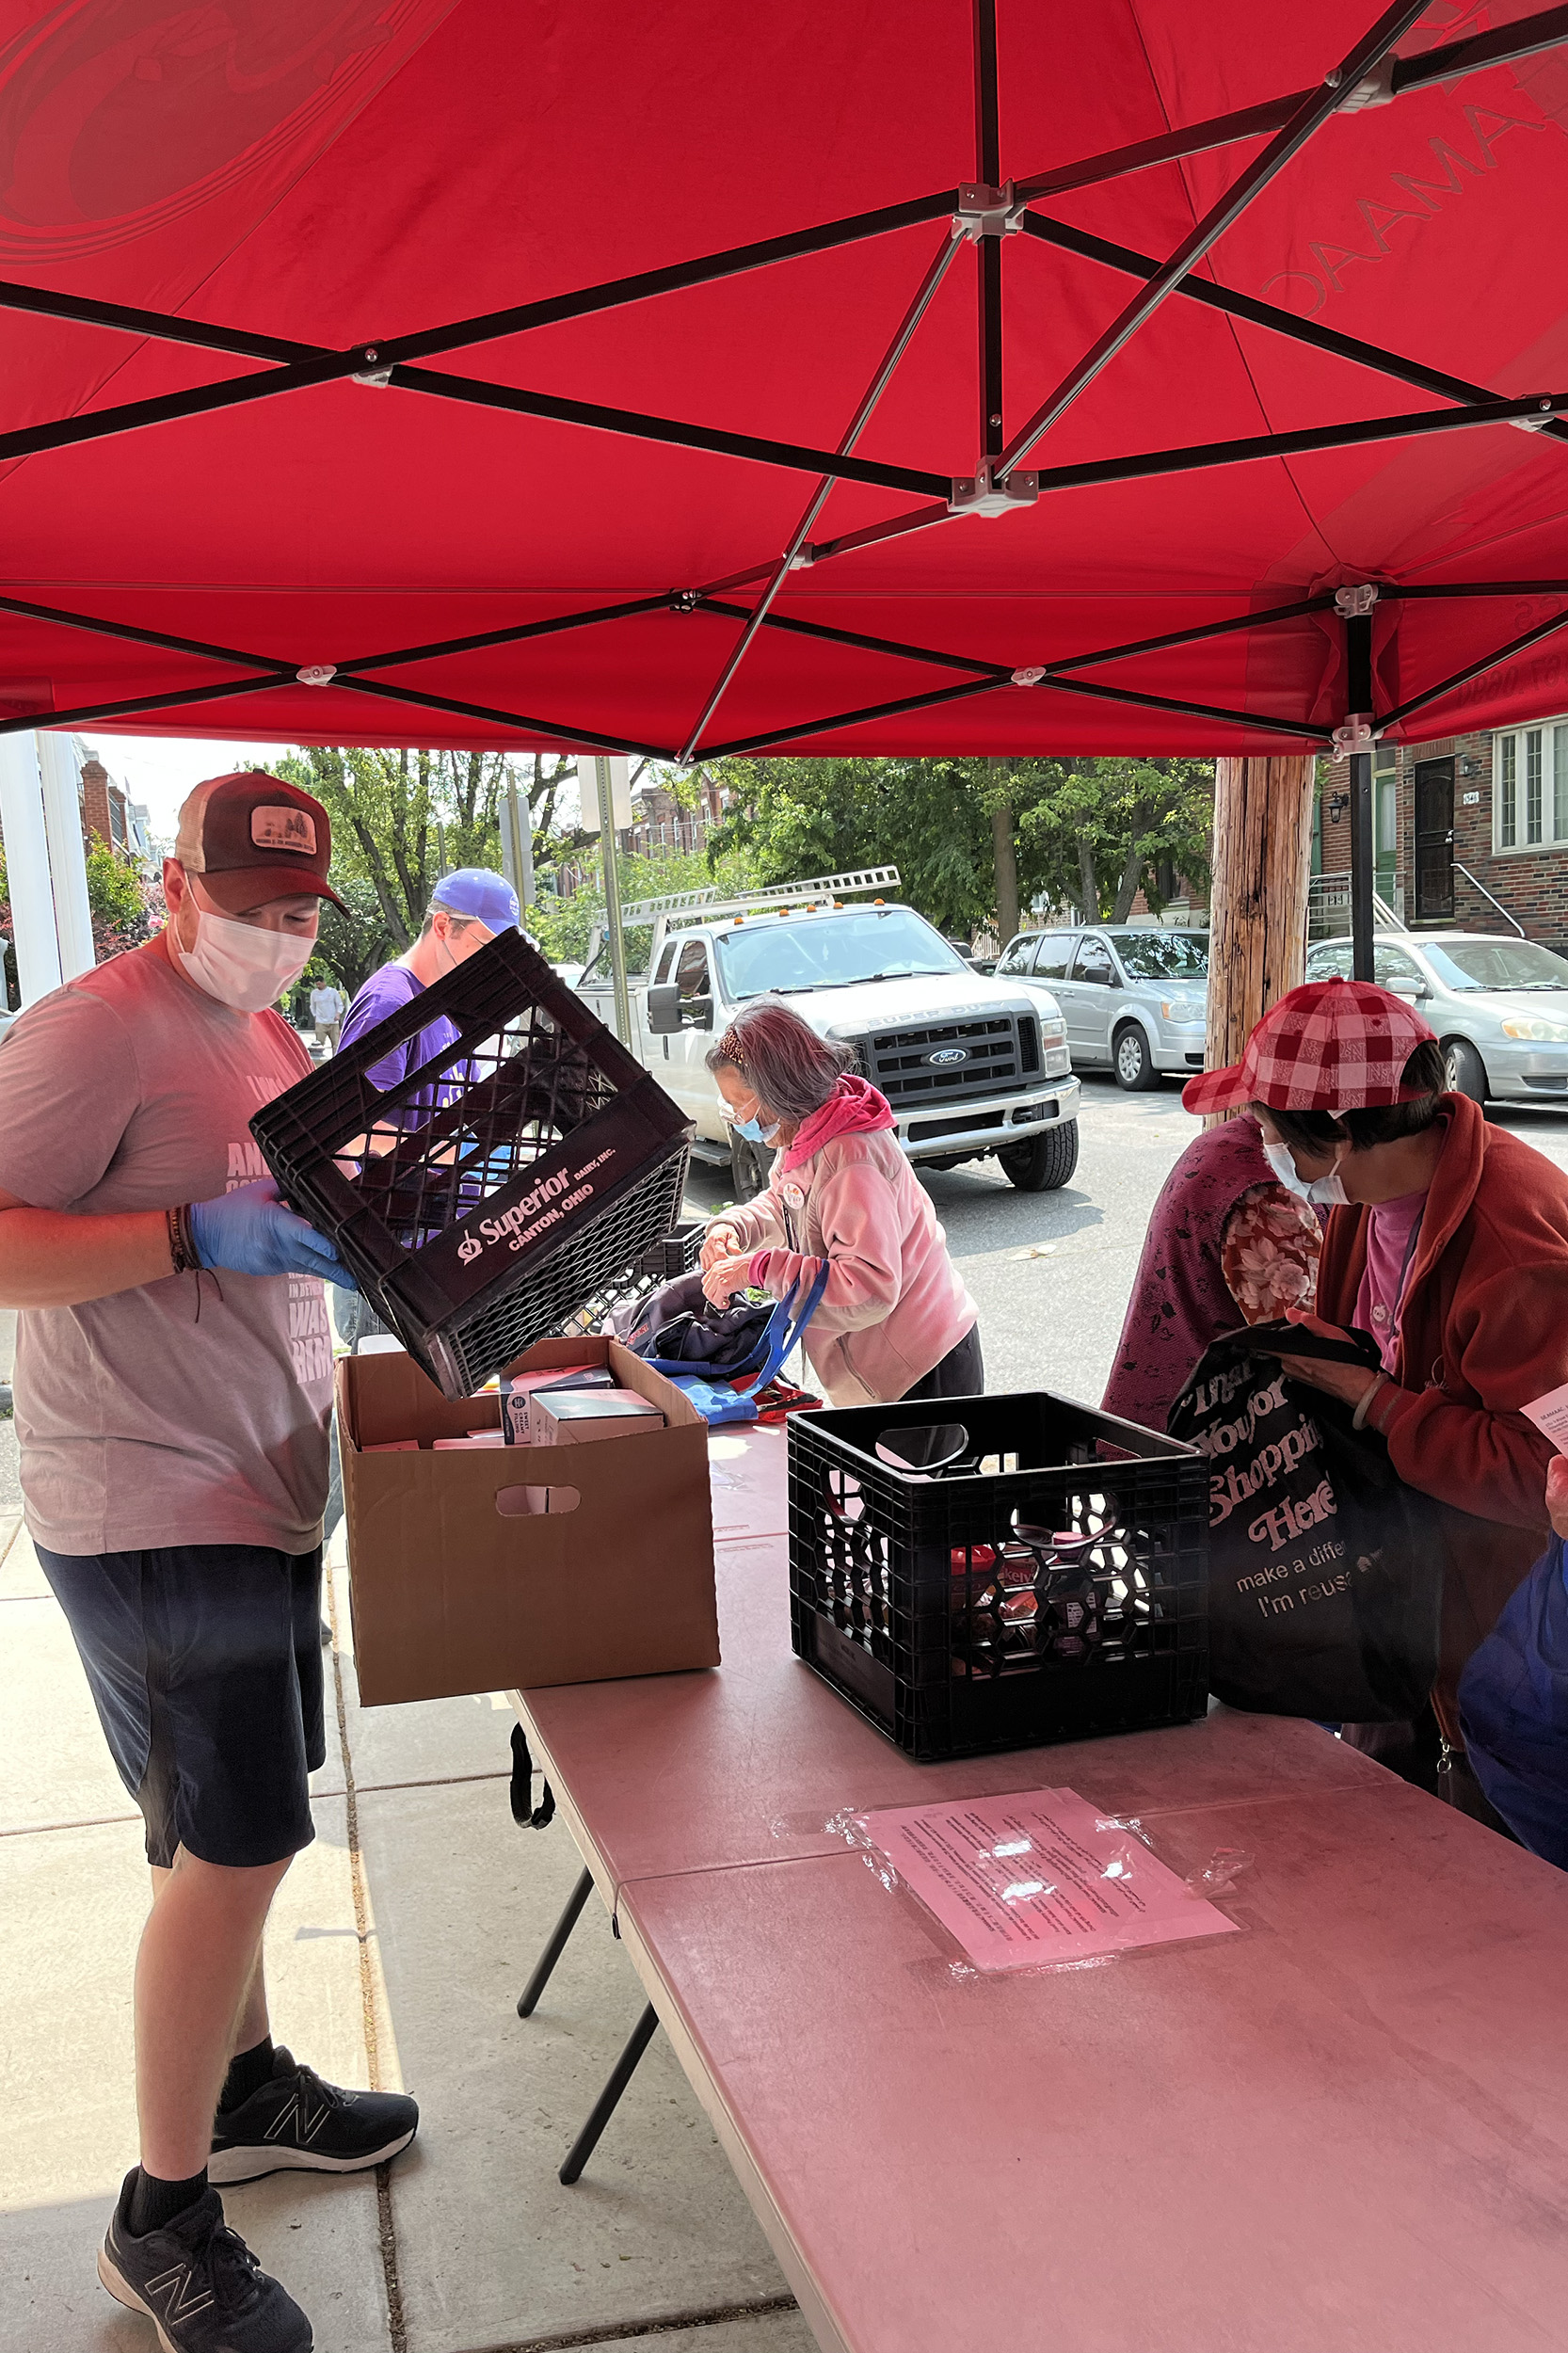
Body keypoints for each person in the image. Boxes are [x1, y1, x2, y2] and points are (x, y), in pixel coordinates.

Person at [0, 771, 419, 2353]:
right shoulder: (96, 1029)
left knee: (217, 1832)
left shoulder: (266, 1034)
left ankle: (240, 2086)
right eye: (247, 907)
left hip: (253, 1481)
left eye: (301, 914)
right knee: (236, 1846)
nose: (276, 935)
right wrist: (186, 1237)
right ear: (171, 888)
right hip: (147, 1493)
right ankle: (160, 2219)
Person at [1184, 974, 1568, 1810]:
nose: (1265, 1153)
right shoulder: (1371, 1195)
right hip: (1403, 1595)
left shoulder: (1514, 1245)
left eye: (1271, 1133)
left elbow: (1546, 1474)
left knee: (1489, 1856)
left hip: (1499, 1632)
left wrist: (1378, 1404)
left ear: (1339, 1133)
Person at [698, 999, 980, 1403]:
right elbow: (788, 1202)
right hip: (881, 1370)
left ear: (779, 1090)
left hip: (919, 1372)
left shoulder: (851, 1156)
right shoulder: (807, 1129)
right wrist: (735, 1227)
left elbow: (867, 1286)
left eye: (741, 1105)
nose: (738, 1119)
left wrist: (759, 1269)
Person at [331, 869, 520, 1353]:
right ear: (443, 927)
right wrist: (447, 1158)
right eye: (485, 944)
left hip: (437, 1248)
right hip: (396, 1259)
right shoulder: (392, 1001)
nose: (493, 962)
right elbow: (348, 1129)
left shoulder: (442, 1004)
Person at [1102, 1112, 1321, 1431]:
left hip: (1160, 1429)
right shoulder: (1264, 1199)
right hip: (1199, 1446)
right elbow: (1312, 1359)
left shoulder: (1231, 1141)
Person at [308, 973, 345, 1050]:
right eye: (317, 984)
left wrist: (338, 1014)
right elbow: (312, 1006)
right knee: (319, 1044)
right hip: (320, 1022)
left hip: (333, 1021)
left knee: (336, 1044)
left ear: (323, 982)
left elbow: (339, 1004)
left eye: (319, 984)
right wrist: (315, 1016)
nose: (318, 986)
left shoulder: (333, 991)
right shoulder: (314, 993)